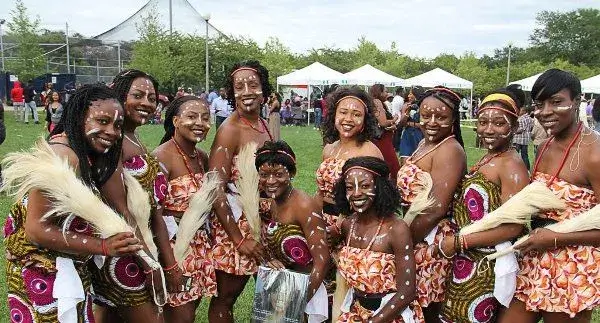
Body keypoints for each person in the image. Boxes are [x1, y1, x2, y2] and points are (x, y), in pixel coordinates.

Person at [4, 85, 143, 322]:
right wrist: (102, 246)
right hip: (45, 276)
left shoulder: (82, 152)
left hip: (65, 269)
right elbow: (36, 229)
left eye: (118, 126)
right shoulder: (63, 156)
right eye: (102, 120)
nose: (112, 131)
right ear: (79, 117)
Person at [498, 69, 600, 323]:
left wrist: (555, 239)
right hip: (533, 257)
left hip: (572, 268)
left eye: (556, 102)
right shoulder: (544, 147)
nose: (545, 111)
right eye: (539, 104)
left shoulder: (594, 154)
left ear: (576, 101)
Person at [91, 69, 175, 323]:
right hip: (125, 251)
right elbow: (119, 209)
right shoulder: (113, 143)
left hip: (135, 247)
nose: (146, 103)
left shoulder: (133, 137)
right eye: (137, 95)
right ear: (119, 95)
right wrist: (148, 260)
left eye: (152, 98)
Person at [439, 89, 529, 322]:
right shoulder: (489, 158)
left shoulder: (512, 166)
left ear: (515, 126)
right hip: (466, 259)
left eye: (499, 123)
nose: (489, 129)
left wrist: (459, 242)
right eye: (483, 122)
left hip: (486, 265)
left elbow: (513, 227)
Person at [207, 60, 273, 322]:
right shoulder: (229, 130)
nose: (247, 91)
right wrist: (238, 239)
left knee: (274, 295)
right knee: (226, 297)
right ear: (231, 93)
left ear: (264, 90)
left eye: (253, 85)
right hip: (234, 226)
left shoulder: (264, 124)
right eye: (239, 86)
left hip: (265, 222)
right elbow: (215, 189)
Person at [396, 86, 466, 322]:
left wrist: (402, 242)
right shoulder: (424, 145)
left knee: (427, 310)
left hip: (429, 241)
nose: (432, 122)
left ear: (454, 118)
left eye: (441, 117)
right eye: (426, 115)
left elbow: (436, 208)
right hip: (412, 232)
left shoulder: (450, 150)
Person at [334, 156, 424, 322]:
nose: (356, 193)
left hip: (391, 315)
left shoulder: (396, 229)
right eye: (349, 187)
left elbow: (407, 291)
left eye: (365, 185)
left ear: (381, 187)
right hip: (356, 313)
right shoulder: (348, 225)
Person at [152, 95, 216, 322]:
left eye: (205, 118)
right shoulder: (161, 157)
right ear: (176, 121)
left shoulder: (202, 157)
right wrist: (169, 265)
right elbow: (153, 216)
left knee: (190, 309)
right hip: (173, 248)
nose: (199, 122)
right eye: (191, 116)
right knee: (181, 315)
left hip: (199, 247)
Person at [255, 140, 330, 319]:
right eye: (264, 174)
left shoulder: (304, 206)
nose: (271, 181)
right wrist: (269, 261)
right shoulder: (271, 202)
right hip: (282, 290)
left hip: (309, 289)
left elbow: (323, 261)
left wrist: (297, 301)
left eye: (279, 174)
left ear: (292, 173)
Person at [316, 86, 383, 234]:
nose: (348, 119)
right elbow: (320, 193)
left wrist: (340, 227)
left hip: (355, 226)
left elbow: (376, 200)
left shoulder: (369, 152)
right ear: (334, 115)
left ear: (365, 120)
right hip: (324, 222)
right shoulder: (329, 149)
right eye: (343, 112)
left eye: (356, 114)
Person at [369, 84, 400, 183]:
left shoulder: (376, 102)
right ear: (379, 92)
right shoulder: (377, 102)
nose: (387, 93)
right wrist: (394, 119)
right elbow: (382, 122)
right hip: (382, 140)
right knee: (392, 165)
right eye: (385, 91)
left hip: (384, 138)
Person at [398, 86, 425, 164]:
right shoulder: (406, 105)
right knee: (405, 162)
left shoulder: (423, 106)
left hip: (419, 136)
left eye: (411, 94)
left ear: (416, 94)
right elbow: (402, 124)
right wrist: (407, 112)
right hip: (407, 136)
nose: (409, 96)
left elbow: (423, 125)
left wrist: (410, 123)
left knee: (419, 162)